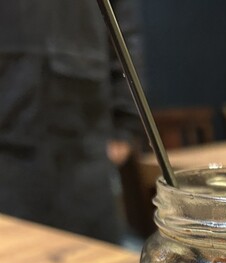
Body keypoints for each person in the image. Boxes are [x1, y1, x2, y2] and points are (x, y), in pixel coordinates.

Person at [0, 0, 143, 244]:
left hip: (84, 136)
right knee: (14, 253)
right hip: (8, 136)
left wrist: (126, 125)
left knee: (93, 254)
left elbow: (124, 35)